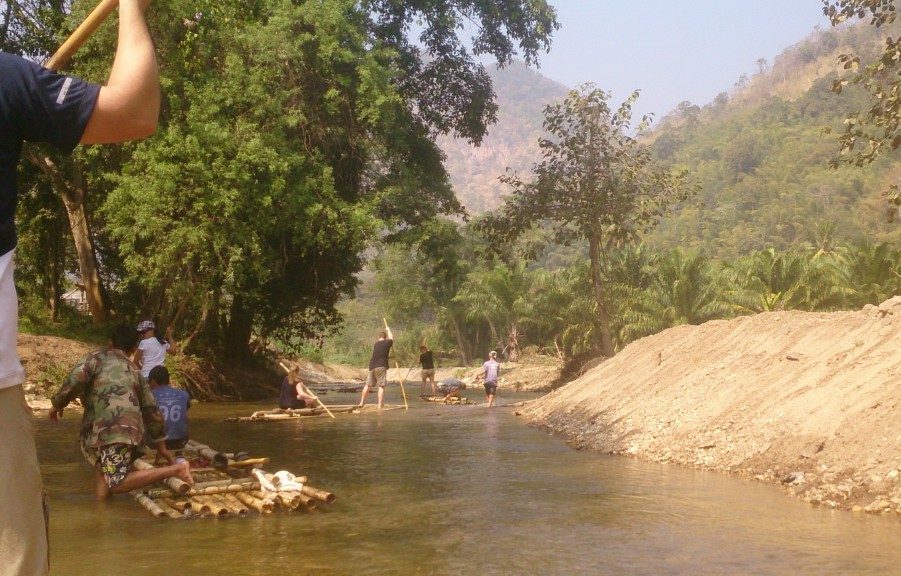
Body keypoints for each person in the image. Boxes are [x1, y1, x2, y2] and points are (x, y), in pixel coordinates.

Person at [0, 2, 159, 573]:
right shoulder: (7, 78)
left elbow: (72, 386)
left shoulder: (102, 364)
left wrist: (59, 408)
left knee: (104, 475)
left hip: (102, 436)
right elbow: (136, 112)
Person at [48, 324, 194, 500]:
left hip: (109, 429)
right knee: (102, 468)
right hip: (118, 430)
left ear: (110, 342)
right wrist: (161, 445)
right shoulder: (135, 371)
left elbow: (74, 381)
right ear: (133, 348)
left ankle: (176, 469)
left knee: (117, 483)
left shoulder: (96, 358)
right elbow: (151, 408)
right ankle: (102, 515)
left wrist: (57, 404)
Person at [147, 365, 191, 450]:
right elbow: (185, 411)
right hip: (181, 441)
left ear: (152, 381)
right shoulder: (184, 394)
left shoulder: (148, 396)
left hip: (157, 443)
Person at [358, 323, 393, 409]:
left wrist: (389, 357)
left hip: (372, 365)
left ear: (379, 337)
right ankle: (380, 404)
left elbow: (380, 354)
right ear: (385, 337)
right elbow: (391, 338)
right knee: (381, 386)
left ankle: (361, 402)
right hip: (381, 366)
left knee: (368, 385)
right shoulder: (387, 342)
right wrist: (388, 329)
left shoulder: (376, 344)